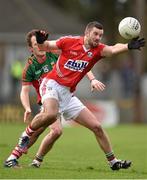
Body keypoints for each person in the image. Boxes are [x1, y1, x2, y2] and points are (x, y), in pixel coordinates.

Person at [5, 21, 145, 170]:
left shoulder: (98, 50)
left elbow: (112, 49)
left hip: (68, 94)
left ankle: (113, 162)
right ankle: (18, 148)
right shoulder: (69, 42)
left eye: (100, 35)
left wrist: (128, 46)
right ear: (87, 33)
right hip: (52, 84)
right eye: (95, 34)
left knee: (97, 127)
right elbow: (45, 46)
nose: (98, 38)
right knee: (51, 116)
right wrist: (40, 41)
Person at [4, 29, 106, 168]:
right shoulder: (30, 67)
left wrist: (92, 79)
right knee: (50, 130)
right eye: (35, 44)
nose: (39, 46)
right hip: (48, 100)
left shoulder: (54, 54)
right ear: (30, 48)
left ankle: (34, 160)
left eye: (39, 42)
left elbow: (81, 61)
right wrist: (27, 108)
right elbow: (24, 91)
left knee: (54, 131)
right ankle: (14, 157)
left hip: (65, 96)